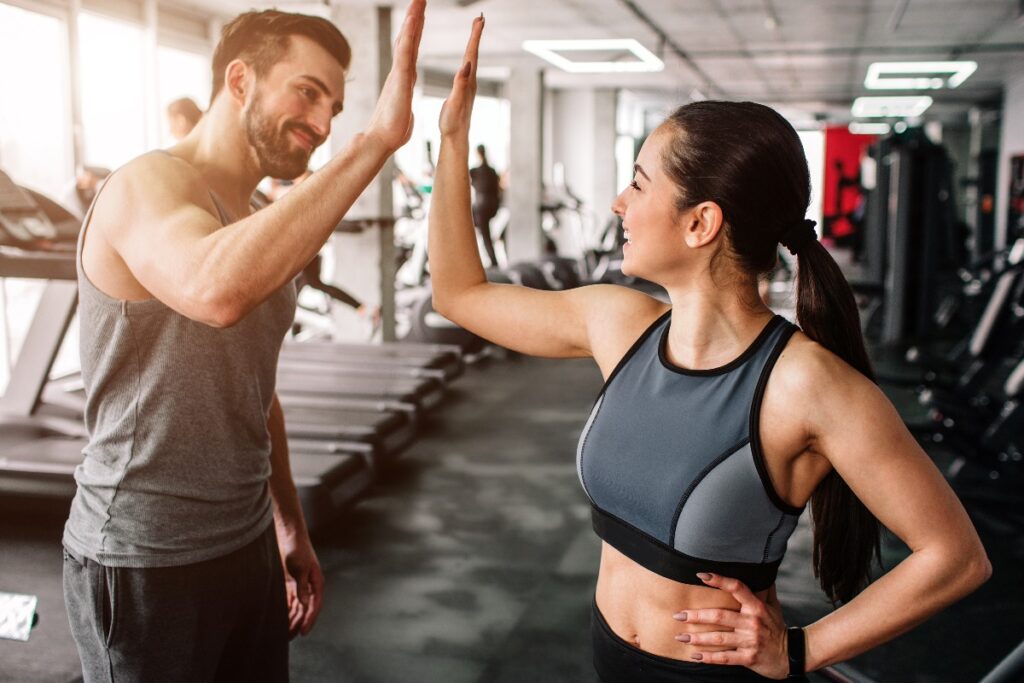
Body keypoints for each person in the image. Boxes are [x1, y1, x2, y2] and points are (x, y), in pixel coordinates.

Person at [429, 17, 990, 682]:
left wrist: (803, 648)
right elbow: (459, 293)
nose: (618, 203)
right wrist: (452, 142)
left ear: (701, 222)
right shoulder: (618, 323)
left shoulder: (804, 384)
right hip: (608, 654)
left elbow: (955, 554)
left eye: (638, 183)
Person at [62, 4, 424, 681]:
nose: (321, 125)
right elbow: (215, 292)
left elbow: (257, 390)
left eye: (336, 110)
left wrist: (288, 522)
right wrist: (374, 141)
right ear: (239, 80)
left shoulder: (261, 219)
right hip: (145, 554)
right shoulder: (147, 184)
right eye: (307, 92)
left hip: (247, 541)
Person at [470, 143, 501, 267]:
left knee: (484, 234)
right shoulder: (492, 171)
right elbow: (497, 191)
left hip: (481, 207)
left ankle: (493, 261)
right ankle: (492, 260)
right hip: (490, 206)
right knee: (484, 233)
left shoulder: (476, 171)